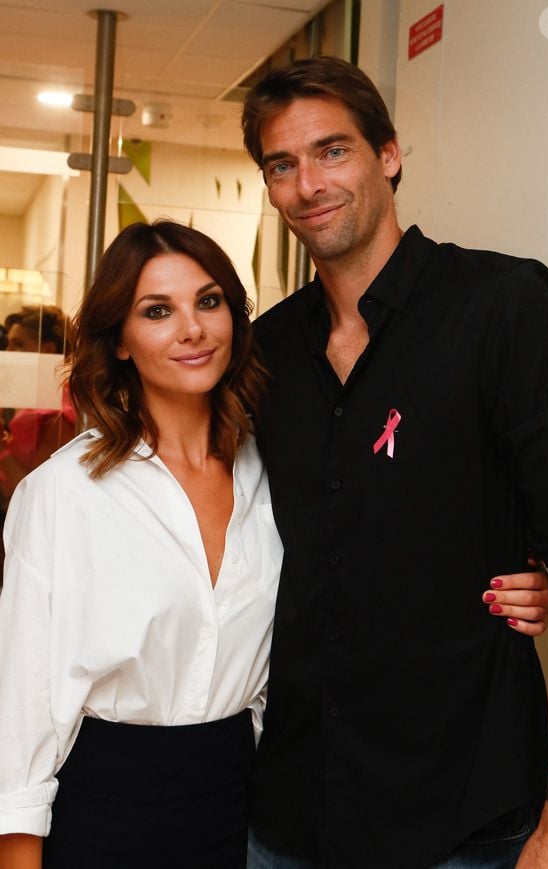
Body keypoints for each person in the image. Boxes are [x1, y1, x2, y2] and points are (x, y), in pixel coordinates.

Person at [241, 57, 548, 868]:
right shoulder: (267, 350)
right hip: (291, 814)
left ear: (388, 154)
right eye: (281, 165)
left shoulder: (503, 305)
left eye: (332, 151)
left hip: (463, 819)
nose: (307, 183)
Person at [0, 220, 282, 868]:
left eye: (208, 301)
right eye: (158, 310)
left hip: (245, 815)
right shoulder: (64, 494)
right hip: (103, 816)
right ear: (119, 340)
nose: (193, 328)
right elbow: (23, 718)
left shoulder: (269, 474)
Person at [0, 305, 76, 499]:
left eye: (18, 344)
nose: (8, 351)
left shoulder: (56, 411)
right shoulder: (35, 401)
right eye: (8, 344)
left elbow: (37, 493)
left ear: (48, 350)